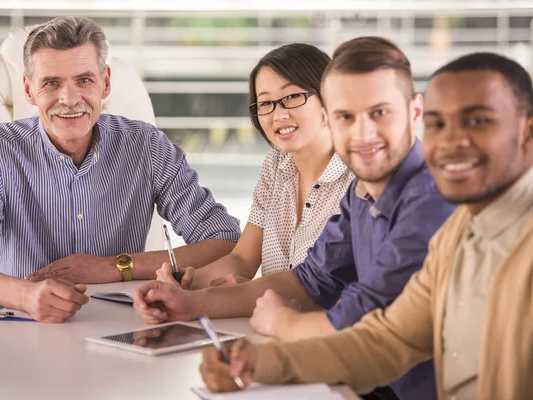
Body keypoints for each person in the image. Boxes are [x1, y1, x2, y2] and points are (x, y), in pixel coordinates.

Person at [135, 37, 457, 400]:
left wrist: (281, 322)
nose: (362, 132)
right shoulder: (363, 189)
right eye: (346, 116)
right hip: (358, 378)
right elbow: (310, 280)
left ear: (416, 112)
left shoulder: (431, 197)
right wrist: (191, 303)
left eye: (379, 112)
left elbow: (361, 317)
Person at [198, 51, 533, 400]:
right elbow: (389, 340)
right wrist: (256, 363)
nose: (451, 142)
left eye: (478, 121)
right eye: (437, 124)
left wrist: (279, 327)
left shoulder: (441, 209)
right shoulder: (456, 232)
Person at [0, 16, 240, 323]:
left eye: (84, 80)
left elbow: (225, 240)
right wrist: (26, 296)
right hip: (22, 325)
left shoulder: (147, 146)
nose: (69, 99)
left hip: (123, 325)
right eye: (51, 83)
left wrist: (115, 266)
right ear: (28, 90)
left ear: (105, 83)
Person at [155, 43, 354, 290]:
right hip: (265, 321)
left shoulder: (358, 179)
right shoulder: (275, 164)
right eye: (265, 103)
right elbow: (243, 259)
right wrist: (187, 282)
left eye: (292, 97)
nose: (278, 115)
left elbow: (334, 287)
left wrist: (254, 291)